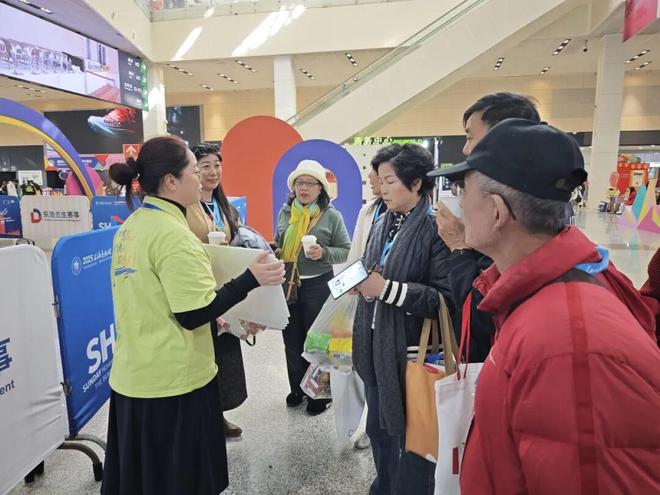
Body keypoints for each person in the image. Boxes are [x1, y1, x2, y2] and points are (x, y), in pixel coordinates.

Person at [433, 118, 660, 495]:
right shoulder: (537, 296)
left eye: (463, 190)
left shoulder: (567, 345)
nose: (458, 205)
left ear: (496, 211)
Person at [101, 136, 285, 495]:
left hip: (134, 374)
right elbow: (192, 313)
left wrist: (229, 316)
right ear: (171, 181)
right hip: (174, 383)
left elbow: (161, 299)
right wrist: (250, 279)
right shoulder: (174, 236)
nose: (201, 177)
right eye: (194, 170)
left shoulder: (133, 226)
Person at [353, 144, 451, 495]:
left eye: (390, 181)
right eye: (380, 181)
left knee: (412, 436)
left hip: (410, 354)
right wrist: (363, 286)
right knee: (379, 428)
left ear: (416, 183)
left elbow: (443, 298)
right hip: (376, 346)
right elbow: (374, 269)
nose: (382, 189)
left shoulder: (434, 227)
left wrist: (386, 289)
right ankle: (385, 485)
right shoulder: (384, 220)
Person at [429, 92, 542, 362]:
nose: (465, 149)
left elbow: (482, 312)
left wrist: (459, 247)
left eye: (470, 137)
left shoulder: (520, 234)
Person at [275, 160, 351, 415]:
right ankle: (298, 388)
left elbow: (345, 250)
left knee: (317, 340)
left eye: (310, 183)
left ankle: (319, 394)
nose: (304, 188)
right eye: (299, 183)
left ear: (321, 189)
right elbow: (278, 241)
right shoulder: (286, 213)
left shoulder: (331, 216)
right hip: (288, 284)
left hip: (318, 285)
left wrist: (323, 253)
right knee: (291, 339)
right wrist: (276, 250)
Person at [185, 142, 248, 438]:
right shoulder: (187, 207)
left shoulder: (225, 206)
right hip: (199, 289)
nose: (212, 172)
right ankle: (203, 418)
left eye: (217, 165)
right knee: (204, 356)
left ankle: (218, 414)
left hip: (225, 290)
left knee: (224, 356)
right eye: (204, 166)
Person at [341, 145, 396, 451]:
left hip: (390, 311)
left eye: (387, 178)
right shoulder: (369, 211)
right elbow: (356, 254)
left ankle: (379, 431)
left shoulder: (419, 219)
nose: (377, 182)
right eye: (379, 177)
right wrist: (347, 283)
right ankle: (369, 426)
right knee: (364, 372)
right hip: (365, 303)